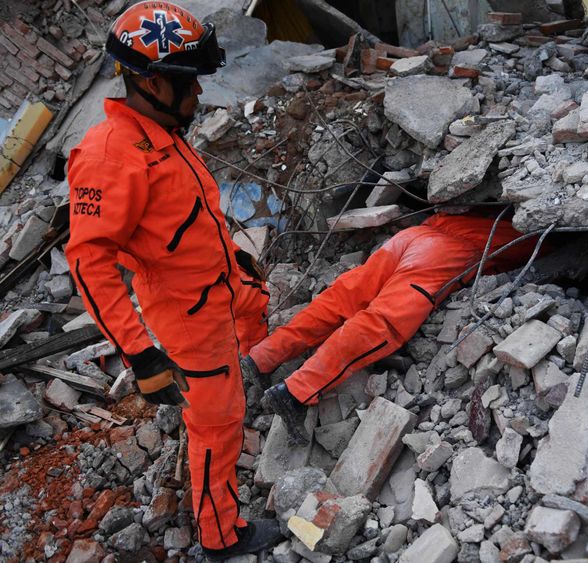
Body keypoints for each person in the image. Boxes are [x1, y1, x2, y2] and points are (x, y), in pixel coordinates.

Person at [65, 2, 282, 560]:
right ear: (152, 81)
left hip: (221, 285)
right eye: (190, 84)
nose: (200, 95)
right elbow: (90, 261)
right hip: (189, 316)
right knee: (217, 423)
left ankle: (250, 373)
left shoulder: (160, 132)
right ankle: (221, 534)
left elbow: (181, 221)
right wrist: (139, 354)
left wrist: (233, 257)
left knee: (257, 308)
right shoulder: (110, 157)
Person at [244, 212, 540, 443]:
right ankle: (296, 392)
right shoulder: (541, 230)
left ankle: (262, 357)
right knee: (382, 322)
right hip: (444, 251)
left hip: (414, 235)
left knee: (342, 298)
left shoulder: (487, 208)